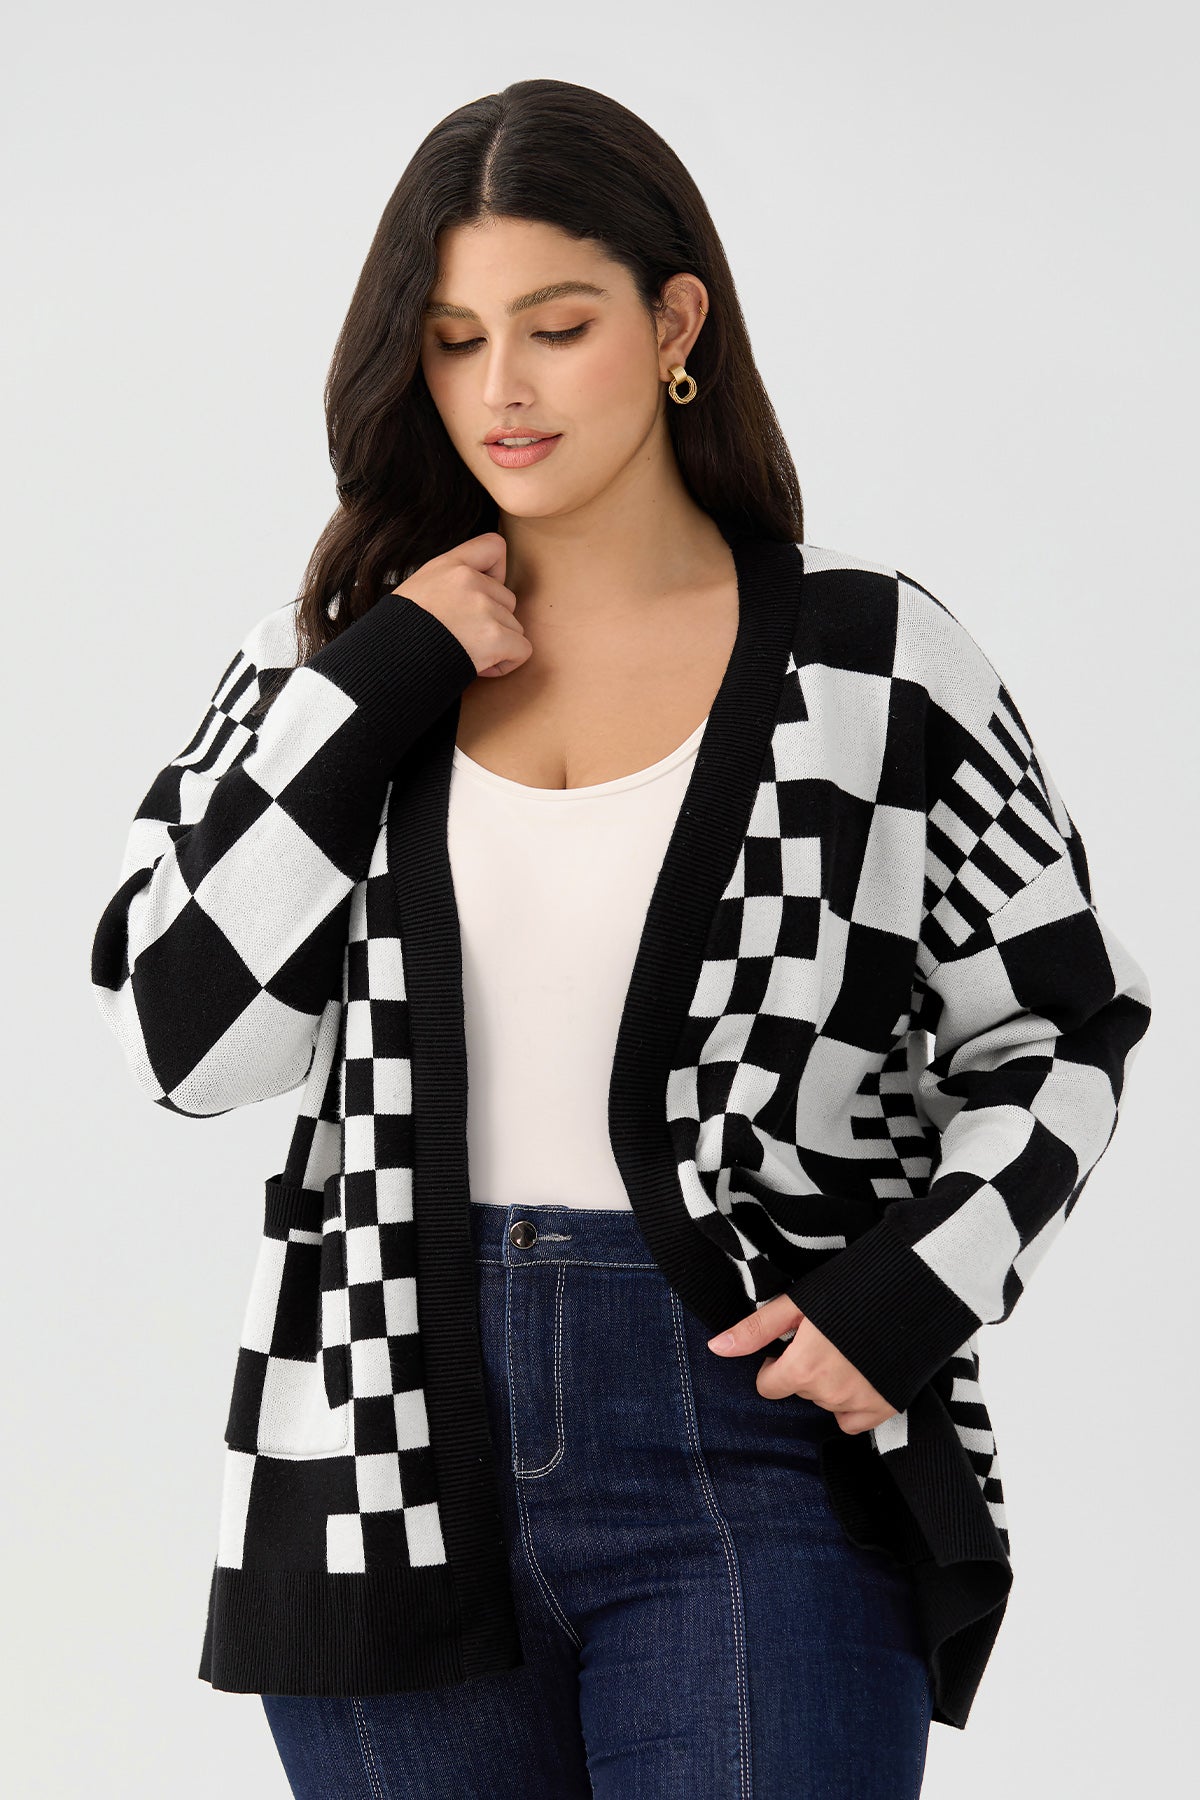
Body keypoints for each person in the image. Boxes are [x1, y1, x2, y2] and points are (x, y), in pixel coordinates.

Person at [90, 76, 1152, 1800]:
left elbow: (1061, 1029)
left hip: (760, 1444)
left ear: (674, 325)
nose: (499, 389)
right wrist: (382, 676)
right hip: (381, 1452)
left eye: (556, 327)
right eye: (452, 341)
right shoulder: (320, 666)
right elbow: (189, 1042)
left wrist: (910, 1291)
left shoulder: (872, 663)